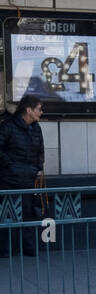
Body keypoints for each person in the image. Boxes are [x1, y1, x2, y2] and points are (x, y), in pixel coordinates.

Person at [0, 95, 45, 256]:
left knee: (28, 214)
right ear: (29, 110)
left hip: (28, 179)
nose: (41, 112)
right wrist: (11, 167)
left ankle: (28, 248)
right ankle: (5, 250)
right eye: (39, 109)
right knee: (7, 214)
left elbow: (40, 150)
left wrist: (38, 168)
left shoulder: (36, 128)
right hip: (9, 180)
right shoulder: (8, 126)